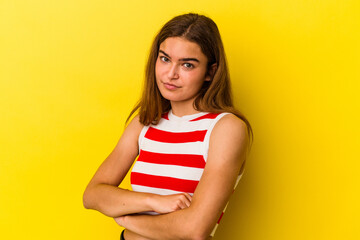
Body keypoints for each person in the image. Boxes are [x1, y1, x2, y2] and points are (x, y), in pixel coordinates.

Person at [83, 13, 253, 240]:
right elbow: (93, 194)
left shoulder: (225, 129)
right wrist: (153, 201)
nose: (171, 74)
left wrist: (126, 217)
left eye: (187, 65)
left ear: (210, 72)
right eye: (165, 59)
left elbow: (194, 229)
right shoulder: (144, 123)